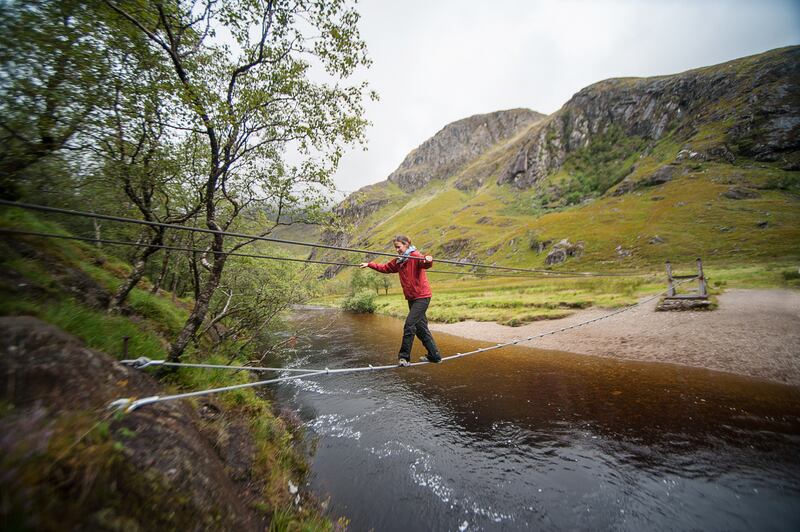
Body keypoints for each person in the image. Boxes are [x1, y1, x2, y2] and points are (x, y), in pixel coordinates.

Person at [360, 235, 442, 366]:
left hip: (422, 297)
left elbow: (424, 263)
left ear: (406, 245)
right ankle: (435, 356)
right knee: (421, 329)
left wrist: (428, 260)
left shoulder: (415, 255)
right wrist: (370, 264)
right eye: (395, 248)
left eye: (398, 247)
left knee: (409, 325)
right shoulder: (399, 261)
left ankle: (404, 357)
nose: (397, 250)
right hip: (412, 298)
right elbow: (385, 268)